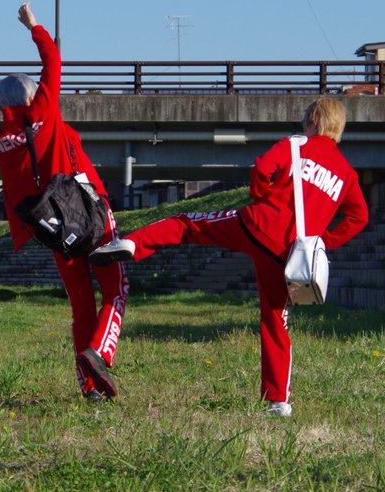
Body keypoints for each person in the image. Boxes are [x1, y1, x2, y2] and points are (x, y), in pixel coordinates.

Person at [89, 97, 368, 417]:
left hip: (256, 225)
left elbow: (262, 167)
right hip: (289, 254)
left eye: (306, 120)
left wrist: (260, 197)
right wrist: (324, 241)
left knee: (187, 224)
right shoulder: (346, 173)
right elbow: (359, 217)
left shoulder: (296, 144)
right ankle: (279, 401)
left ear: (314, 122)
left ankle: (133, 244)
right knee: (275, 320)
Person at [0, 3, 127, 402]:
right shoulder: (45, 111)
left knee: (80, 304)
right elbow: (52, 60)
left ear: (1, 106)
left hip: (54, 227)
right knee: (115, 289)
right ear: (34, 94)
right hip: (90, 211)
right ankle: (100, 353)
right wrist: (33, 25)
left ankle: (88, 387)